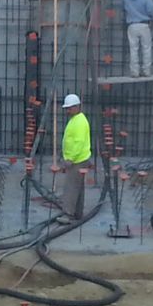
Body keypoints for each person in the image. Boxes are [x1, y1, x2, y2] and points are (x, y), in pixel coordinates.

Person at [60, 92, 92, 220]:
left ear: (76, 107)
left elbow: (78, 143)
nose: (67, 110)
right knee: (78, 187)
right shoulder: (77, 119)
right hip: (79, 158)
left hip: (77, 160)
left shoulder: (79, 122)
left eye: (69, 108)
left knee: (71, 187)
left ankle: (68, 214)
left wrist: (70, 159)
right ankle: (78, 213)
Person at [121, 0, 153, 77]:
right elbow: (151, 10)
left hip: (132, 25)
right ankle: (146, 71)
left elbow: (123, 9)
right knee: (146, 48)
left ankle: (134, 72)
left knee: (133, 49)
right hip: (144, 25)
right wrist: (152, 17)